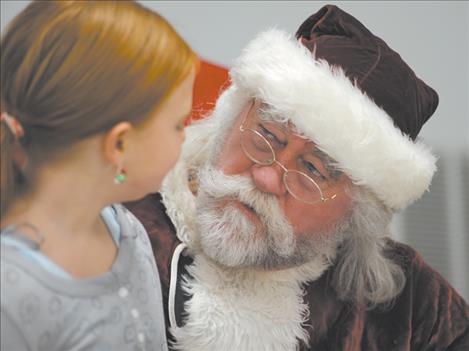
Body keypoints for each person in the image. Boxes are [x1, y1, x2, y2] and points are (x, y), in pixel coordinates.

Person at [125, 4, 469, 351]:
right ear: (230, 119)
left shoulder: (418, 313)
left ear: (356, 218)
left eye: (313, 170)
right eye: (268, 136)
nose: (267, 178)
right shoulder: (114, 220)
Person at [0, 1, 197, 350]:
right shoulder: (11, 295)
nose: (185, 134)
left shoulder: (128, 233)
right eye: (177, 123)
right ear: (119, 143)